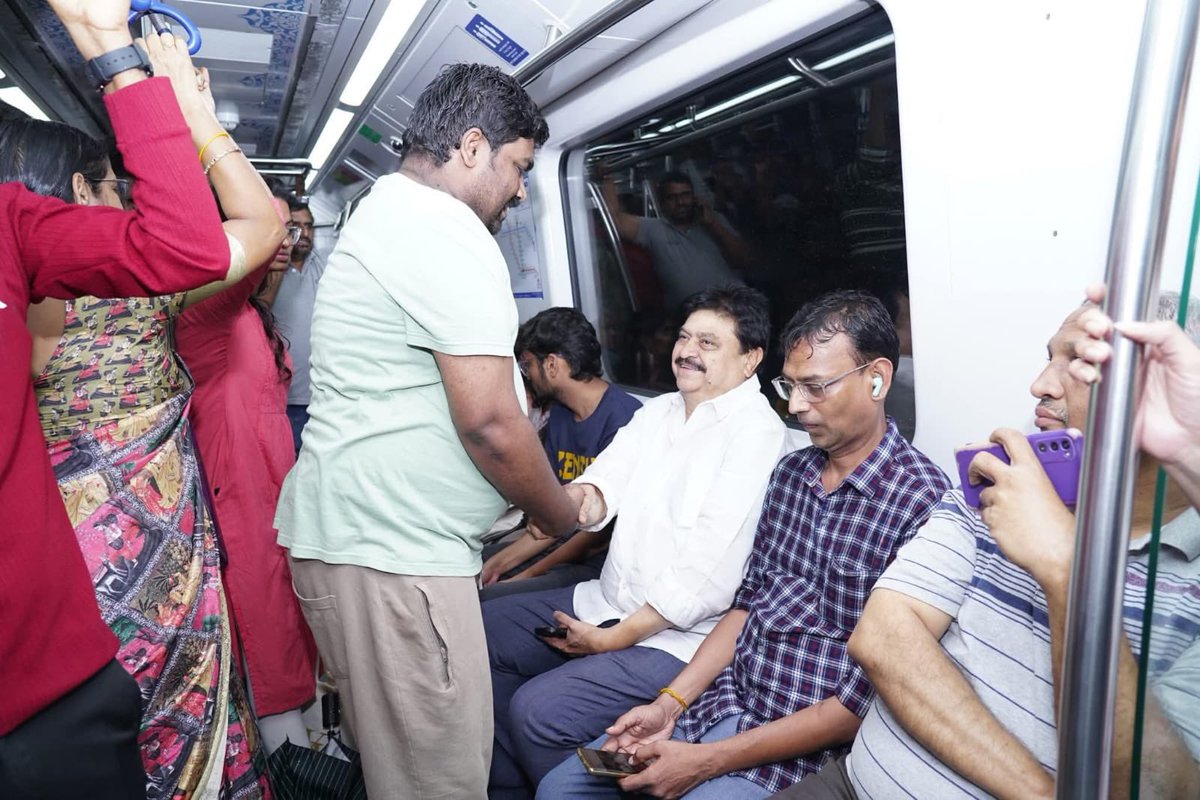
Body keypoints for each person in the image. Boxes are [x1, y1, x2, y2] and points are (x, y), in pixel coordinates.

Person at [273, 63, 579, 799]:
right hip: (394, 562)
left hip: (361, 542)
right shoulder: (444, 229)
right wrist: (557, 516)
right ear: (473, 148)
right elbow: (490, 425)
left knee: (398, 767)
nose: (520, 189)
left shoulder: (385, 210)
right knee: (435, 782)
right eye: (519, 167)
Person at [0, 1, 282, 797]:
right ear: (76, 197)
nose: (127, 201)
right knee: (177, 735)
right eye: (112, 188)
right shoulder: (133, 304)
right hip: (149, 574)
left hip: (51, 583)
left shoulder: (23, 318)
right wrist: (196, 121)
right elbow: (258, 225)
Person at [778, 293, 1200, 799]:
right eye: (1050, 357)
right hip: (851, 783)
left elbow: (1156, 786)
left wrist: (1066, 572)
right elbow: (883, 639)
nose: (1040, 384)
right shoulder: (999, 485)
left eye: (1080, 363)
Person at [538, 289, 951, 798]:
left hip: (797, 743)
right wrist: (669, 704)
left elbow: (863, 700)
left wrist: (705, 762)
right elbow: (747, 606)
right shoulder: (791, 475)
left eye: (816, 388)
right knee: (562, 788)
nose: (796, 407)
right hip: (724, 696)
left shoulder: (923, 505)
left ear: (877, 379)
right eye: (790, 386)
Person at [485, 285, 788, 799]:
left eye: (710, 343)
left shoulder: (756, 435)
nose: (687, 350)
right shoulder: (661, 411)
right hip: (606, 601)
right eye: (685, 336)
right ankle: (512, 788)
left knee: (538, 710)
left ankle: (567, 789)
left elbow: (705, 579)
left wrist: (613, 639)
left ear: (750, 360)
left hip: (675, 639)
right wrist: (572, 499)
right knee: (483, 631)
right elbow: (602, 486)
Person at [175, 195, 318, 754]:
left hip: (273, 495)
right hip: (238, 497)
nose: (282, 241)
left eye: (290, 231)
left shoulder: (252, 314)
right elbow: (251, 247)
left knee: (289, 627)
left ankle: (307, 756)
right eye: (273, 230)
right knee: (268, 633)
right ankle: (289, 766)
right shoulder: (206, 309)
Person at [480, 307, 642, 601]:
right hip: (558, 539)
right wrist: (501, 562)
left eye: (527, 365)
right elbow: (555, 516)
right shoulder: (561, 416)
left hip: (596, 559)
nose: (526, 375)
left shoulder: (626, 419)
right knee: (473, 567)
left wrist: (524, 574)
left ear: (552, 365)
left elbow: (594, 538)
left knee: (494, 597)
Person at [602, 171, 748, 309]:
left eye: (685, 195)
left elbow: (743, 260)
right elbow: (615, 220)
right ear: (662, 203)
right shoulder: (654, 228)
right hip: (690, 318)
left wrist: (713, 225)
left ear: (694, 197)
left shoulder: (714, 221)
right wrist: (607, 178)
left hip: (735, 309)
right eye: (672, 197)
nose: (680, 202)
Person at [260, 193, 322, 453]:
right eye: (297, 227)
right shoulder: (268, 272)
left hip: (320, 398)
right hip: (283, 398)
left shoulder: (327, 267)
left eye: (309, 226)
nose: (305, 233)